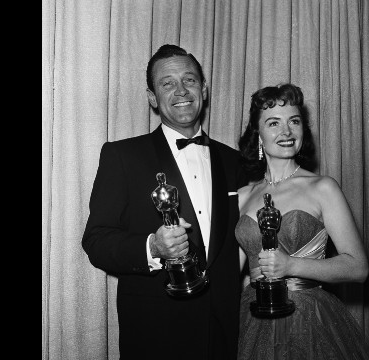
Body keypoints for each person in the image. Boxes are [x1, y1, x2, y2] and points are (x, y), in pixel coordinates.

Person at [82, 44, 247, 360]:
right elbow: (96, 240)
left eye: (190, 80)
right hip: (154, 332)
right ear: (152, 97)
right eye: (167, 83)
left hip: (223, 332)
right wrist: (152, 248)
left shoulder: (234, 161)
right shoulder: (122, 156)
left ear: (204, 89)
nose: (181, 90)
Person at [235, 83, 369, 359]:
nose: (286, 131)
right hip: (252, 318)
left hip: (307, 322)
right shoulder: (243, 196)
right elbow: (230, 273)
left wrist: (291, 265)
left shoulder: (323, 188)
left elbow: (358, 268)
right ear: (258, 136)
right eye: (274, 123)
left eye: (294, 121)